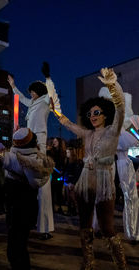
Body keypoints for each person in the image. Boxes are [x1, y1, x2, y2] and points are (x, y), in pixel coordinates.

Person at [56, 68, 127, 269]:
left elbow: (120, 108)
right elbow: (69, 125)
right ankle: (88, 263)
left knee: (107, 228)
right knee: (84, 225)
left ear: (105, 115)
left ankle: (121, 265)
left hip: (104, 182)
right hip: (85, 182)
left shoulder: (113, 131)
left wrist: (112, 85)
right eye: (90, 113)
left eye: (97, 112)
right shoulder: (87, 134)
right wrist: (56, 111)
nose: (93, 115)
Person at [0, 123, 54, 270]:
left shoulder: (18, 160)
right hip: (29, 207)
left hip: (18, 209)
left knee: (15, 250)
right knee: (20, 245)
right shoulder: (37, 158)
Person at [7, 62, 60, 241]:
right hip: (28, 143)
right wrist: (13, 86)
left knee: (43, 184)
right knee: (27, 184)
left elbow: (51, 93)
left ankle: (45, 227)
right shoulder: (32, 104)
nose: (30, 93)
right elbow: (21, 98)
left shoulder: (45, 101)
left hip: (40, 144)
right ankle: (29, 222)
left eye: (32, 91)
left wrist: (48, 78)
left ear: (38, 91)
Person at [98, 87, 139, 243]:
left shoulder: (128, 121)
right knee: (103, 195)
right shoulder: (102, 122)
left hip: (123, 160)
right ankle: (101, 227)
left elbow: (135, 138)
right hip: (107, 161)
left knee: (130, 196)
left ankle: (132, 232)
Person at [47, 137, 66, 215]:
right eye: (53, 141)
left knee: (59, 192)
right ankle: (52, 208)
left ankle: (60, 207)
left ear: (59, 142)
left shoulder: (62, 152)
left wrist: (62, 171)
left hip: (60, 175)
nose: (54, 142)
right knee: (52, 191)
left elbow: (64, 164)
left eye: (56, 141)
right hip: (52, 174)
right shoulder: (50, 152)